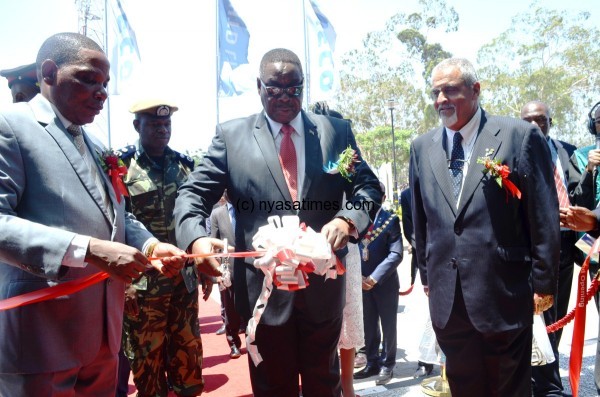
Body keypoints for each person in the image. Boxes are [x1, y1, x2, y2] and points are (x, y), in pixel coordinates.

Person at [174, 48, 381, 396]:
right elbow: (191, 195)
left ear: (304, 86)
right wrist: (195, 240)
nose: (285, 96)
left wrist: (348, 220)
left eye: (294, 88)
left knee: (323, 386)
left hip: (322, 290)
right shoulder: (232, 137)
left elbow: (368, 186)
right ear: (259, 86)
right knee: (273, 388)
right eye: (275, 88)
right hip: (263, 296)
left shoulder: (335, 133)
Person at [0, 32, 184, 396]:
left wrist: (149, 246)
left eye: (105, 84)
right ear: (49, 73)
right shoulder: (12, 126)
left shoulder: (95, 144)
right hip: (41, 339)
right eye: (88, 78)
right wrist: (87, 250)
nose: (101, 92)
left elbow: (118, 214)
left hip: (102, 337)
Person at [409, 58, 560, 396]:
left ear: (475, 90)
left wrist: (544, 280)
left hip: (504, 293)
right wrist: (427, 276)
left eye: (450, 90)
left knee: (508, 388)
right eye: (435, 92)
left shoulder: (518, 135)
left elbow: (543, 213)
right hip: (449, 303)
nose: (440, 100)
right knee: (464, 387)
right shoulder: (422, 147)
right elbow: (420, 220)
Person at [119, 99, 203, 397]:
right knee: (147, 365)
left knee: (187, 360)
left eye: (166, 124)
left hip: (182, 282)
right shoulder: (120, 168)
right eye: (154, 124)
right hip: (143, 287)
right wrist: (124, 282)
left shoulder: (185, 166)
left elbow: (195, 217)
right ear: (136, 126)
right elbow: (116, 226)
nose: (162, 130)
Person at [521, 100, 576, 396]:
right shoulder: (517, 151)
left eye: (540, 120)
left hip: (567, 244)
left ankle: (547, 377)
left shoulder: (568, 151)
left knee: (558, 316)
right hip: (534, 247)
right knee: (537, 315)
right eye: (527, 119)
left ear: (550, 122)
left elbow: (580, 189)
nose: (533, 125)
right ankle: (544, 385)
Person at [312, 100, 365, 397]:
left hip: (345, 251)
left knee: (347, 320)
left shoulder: (350, 162)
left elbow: (366, 198)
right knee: (314, 321)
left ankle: (347, 387)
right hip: (308, 251)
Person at [353, 183, 402, 386]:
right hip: (362, 283)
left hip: (384, 283)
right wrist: (359, 277)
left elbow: (396, 253)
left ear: (382, 197)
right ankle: (372, 361)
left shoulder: (390, 219)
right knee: (368, 325)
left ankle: (388, 364)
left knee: (388, 324)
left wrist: (374, 278)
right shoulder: (355, 220)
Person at [400, 186, 434, 378]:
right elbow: (409, 230)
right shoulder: (407, 195)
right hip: (424, 259)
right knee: (424, 316)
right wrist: (429, 250)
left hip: (451, 257)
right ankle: (425, 361)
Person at [210, 190, 244, 359]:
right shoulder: (217, 214)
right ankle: (233, 342)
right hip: (228, 268)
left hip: (249, 266)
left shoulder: (247, 208)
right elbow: (213, 241)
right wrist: (217, 270)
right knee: (229, 307)